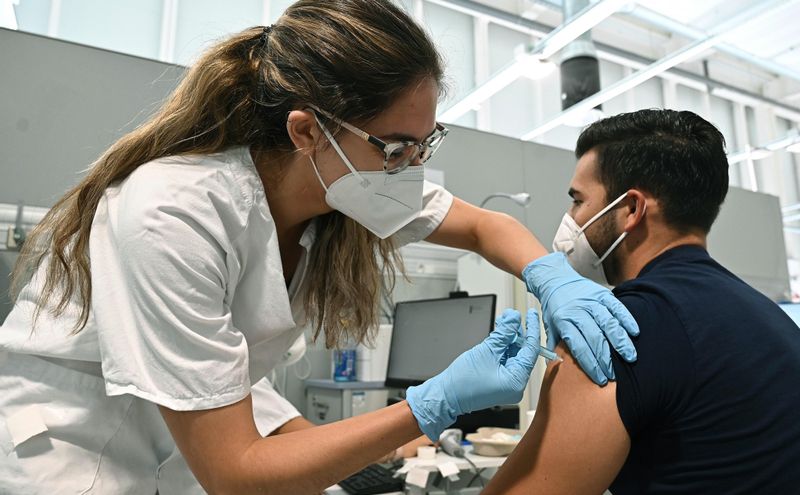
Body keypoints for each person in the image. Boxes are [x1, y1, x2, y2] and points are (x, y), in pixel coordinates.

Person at [0, 2, 640, 493]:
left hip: (177, 452)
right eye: (395, 147)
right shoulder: (172, 214)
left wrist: (553, 276)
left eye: (426, 143)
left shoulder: (347, 187)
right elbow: (237, 473)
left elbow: (482, 227)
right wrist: (431, 405)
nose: (411, 169)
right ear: (306, 131)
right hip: (68, 454)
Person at [483, 109, 800, 494]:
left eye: (578, 201)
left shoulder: (616, 329)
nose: (570, 219)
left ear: (631, 209)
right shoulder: (761, 315)